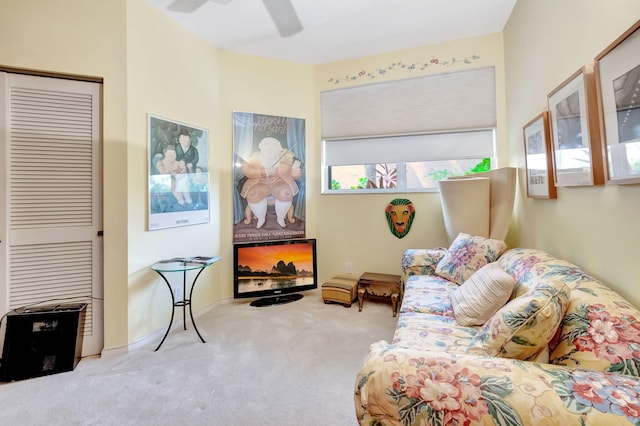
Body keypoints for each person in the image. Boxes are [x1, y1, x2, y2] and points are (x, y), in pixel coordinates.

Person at [240, 137, 301, 228]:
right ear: (260, 146)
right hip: (259, 182)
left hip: (280, 182)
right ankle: (261, 218)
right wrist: (264, 172)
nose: (270, 148)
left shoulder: (286, 158)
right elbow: (247, 170)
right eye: (266, 144)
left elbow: (295, 176)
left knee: (286, 192)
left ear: (280, 148)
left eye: (274, 145)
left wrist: (296, 168)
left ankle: (280, 218)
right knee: (253, 194)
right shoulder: (254, 157)